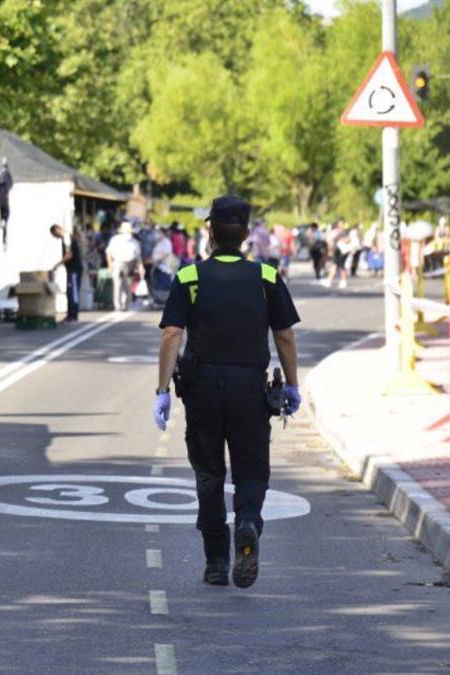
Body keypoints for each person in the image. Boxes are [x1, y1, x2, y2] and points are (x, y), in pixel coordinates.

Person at [153, 196, 301, 589]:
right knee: (251, 470)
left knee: (209, 474)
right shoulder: (267, 277)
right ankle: (248, 522)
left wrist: (162, 389)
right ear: (247, 235)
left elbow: (172, 334)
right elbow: (284, 335)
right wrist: (292, 384)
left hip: (202, 389)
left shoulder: (189, 277)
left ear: (210, 232)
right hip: (250, 389)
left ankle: (216, 562)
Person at [50, 224, 84, 323]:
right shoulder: (67, 238)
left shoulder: (67, 239)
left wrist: (58, 264)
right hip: (71, 269)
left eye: (55, 234)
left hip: (74, 268)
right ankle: (70, 314)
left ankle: (73, 314)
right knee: (70, 292)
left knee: (73, 292)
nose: (56, 237)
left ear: (57, 230)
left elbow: (69, 255)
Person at [105, 222, 142, 311]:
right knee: (117, 284)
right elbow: (108, 252)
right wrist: (110, 264)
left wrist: (141, 267)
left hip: (129, 265)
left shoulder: (134, 242)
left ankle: (125, 304)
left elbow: (138, 256)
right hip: (117, 263)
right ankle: (118, 305)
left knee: (127, 285)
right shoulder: (115, 239)